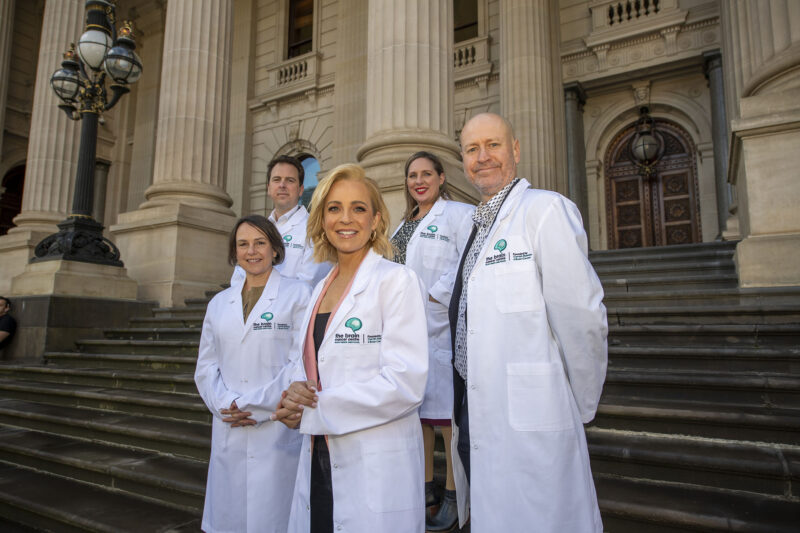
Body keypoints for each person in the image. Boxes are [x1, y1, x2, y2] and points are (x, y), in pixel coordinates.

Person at [449, 113, 608, 532]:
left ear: (515, 150)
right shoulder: (475, 225)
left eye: (493, 145)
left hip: (533, 414)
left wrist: (577, 402)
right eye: (471, 149)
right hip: (472, 410)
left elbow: (582, 317)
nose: (483, 157)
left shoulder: (546, 210)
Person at [275, 163, 429, 533]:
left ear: (376, 220)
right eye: (334, 208)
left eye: (358, 208)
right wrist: (295, 393)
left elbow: (405, 383)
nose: (346, 219)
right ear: (322, 220)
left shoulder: (397, 281)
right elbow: (307, 363)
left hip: (374, 463)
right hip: (319, 460)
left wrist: (316, 409)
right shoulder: (318, 289)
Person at [194, 215, 311, 533]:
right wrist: (227, 404)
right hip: (229, 422)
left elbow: (300, 362)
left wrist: (256, 406)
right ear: (234, 253)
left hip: (276, 425)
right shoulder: (219, 304)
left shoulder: (299, 295)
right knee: (230, 516)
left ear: (275, 248)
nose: (252, 251)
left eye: (260, 243)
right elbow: (206, 368)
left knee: (275, 517)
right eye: (243, 244)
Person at [389, 151, 473, 531]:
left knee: (445, 420)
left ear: (441, 178)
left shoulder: (457, 214)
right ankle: (425, 488)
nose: (418, 181)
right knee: (417, 417)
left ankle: (455, 494)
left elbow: (467, 259)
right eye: (412, 176)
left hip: (440, 328)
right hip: (405, 332)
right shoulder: (402, 225)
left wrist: (437, 298)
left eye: (426, 174)